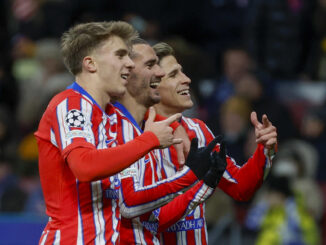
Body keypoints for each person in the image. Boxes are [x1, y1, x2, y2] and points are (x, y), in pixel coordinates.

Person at [35, 21, 206, 245]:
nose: (129, 64)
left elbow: (130, 201)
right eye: (120, 55)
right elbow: (84, 166)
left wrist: (178, 134)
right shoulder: (71, 105)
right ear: (90, 63)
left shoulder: (112, 117)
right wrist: (151, 139)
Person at [148, 42, 278, 244]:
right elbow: (149, 218)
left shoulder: (199, 130)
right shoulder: (136, 136)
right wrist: (203, 183)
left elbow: (241, 187)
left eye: (182, 72)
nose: (186, 79)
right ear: (151, 86)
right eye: (174, 75)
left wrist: (264, 150)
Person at [113, 38, 227, 244]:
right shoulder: (115, 129)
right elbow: (129, 206)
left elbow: (156, 219)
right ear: (127, 75)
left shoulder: (145, 132)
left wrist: (205, 185)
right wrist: (189, 176)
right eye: (150, 65)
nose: (158, 73)